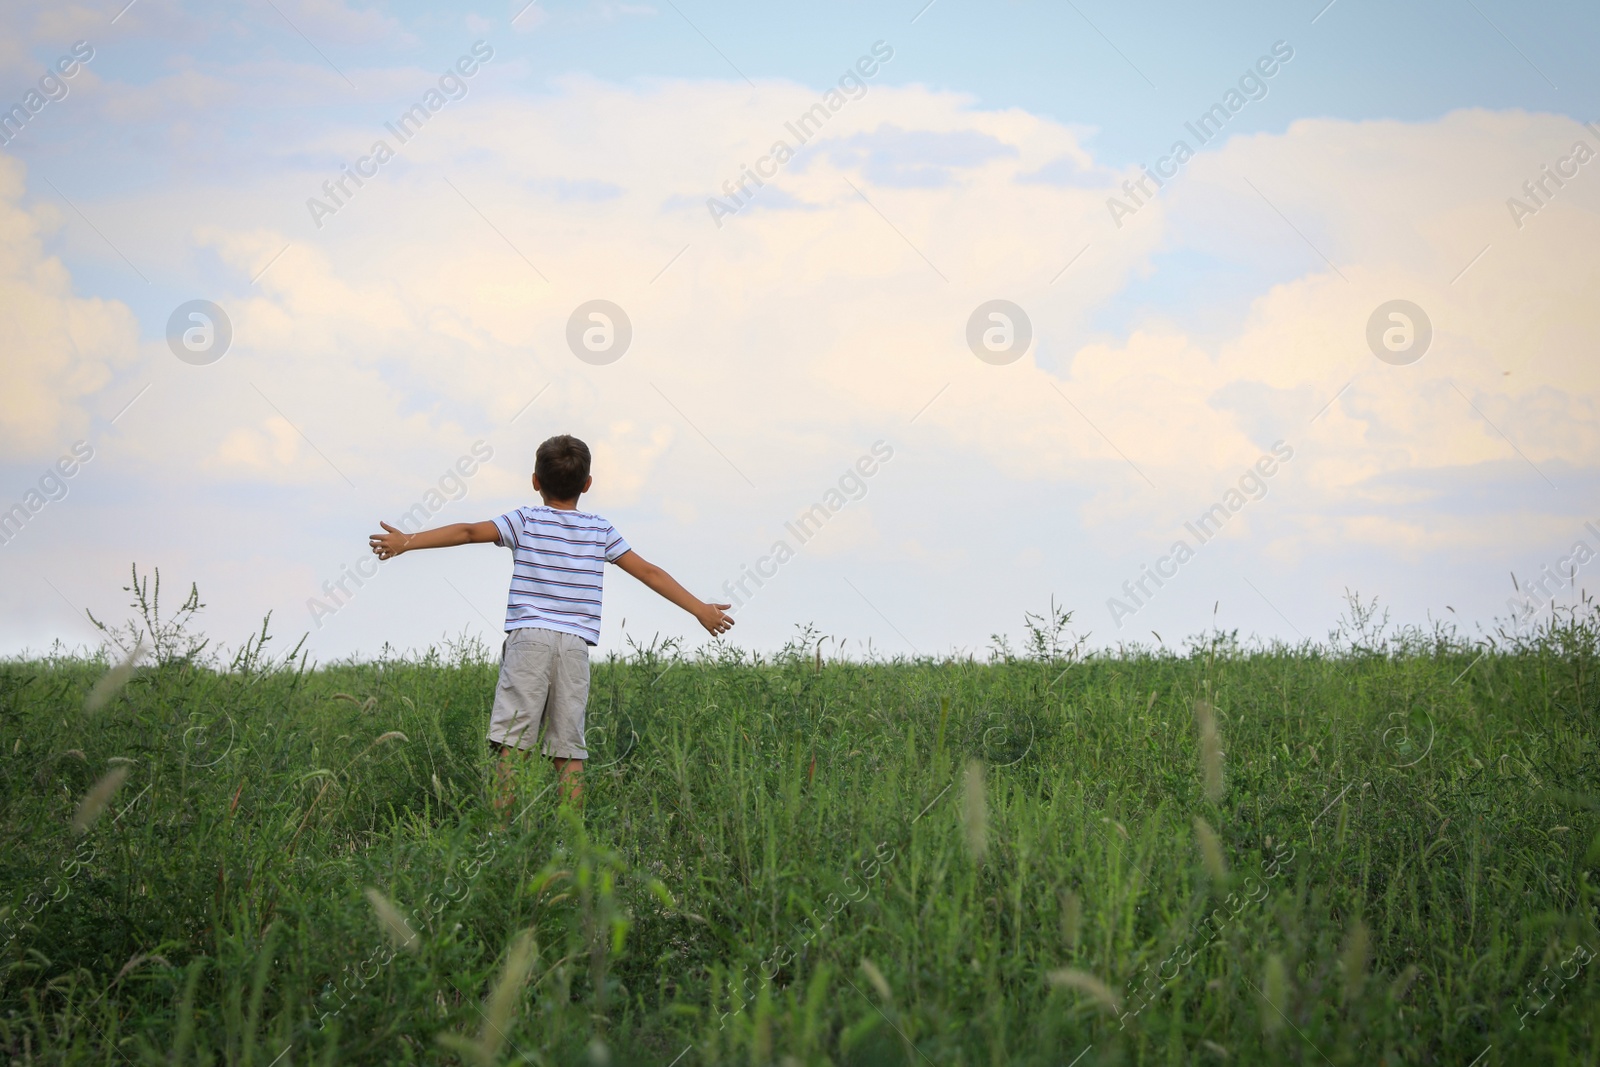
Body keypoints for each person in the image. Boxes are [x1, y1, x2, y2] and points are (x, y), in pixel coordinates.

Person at [368, 434, 733, 805]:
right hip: (575, 645)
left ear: (535, 481)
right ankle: (569, 842)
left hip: (529, 641)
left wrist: (407, 541)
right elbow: (649, 573)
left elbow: (466, 531)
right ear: (587, 485)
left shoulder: (525, 520)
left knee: (512, 745)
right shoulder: (600, 529)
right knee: (568, 750)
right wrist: (700, 610)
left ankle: (501, 836)